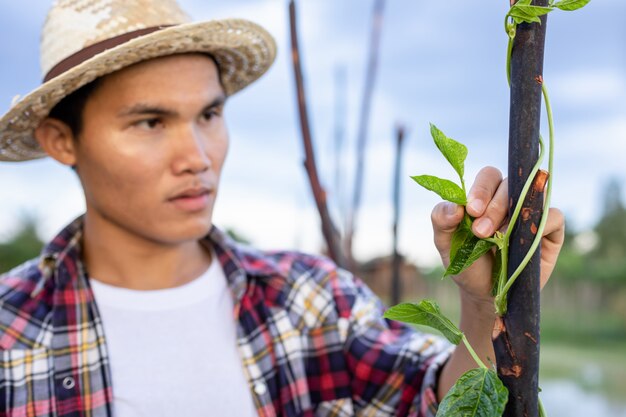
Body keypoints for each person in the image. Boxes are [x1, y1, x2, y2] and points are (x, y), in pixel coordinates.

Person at [0, 1, 564, 416]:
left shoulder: (307, 297)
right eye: (150, 122)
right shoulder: (12, 333)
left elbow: (426, 395)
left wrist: (487, 305)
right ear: (60, 141)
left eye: (209, 116)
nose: (197, 157)